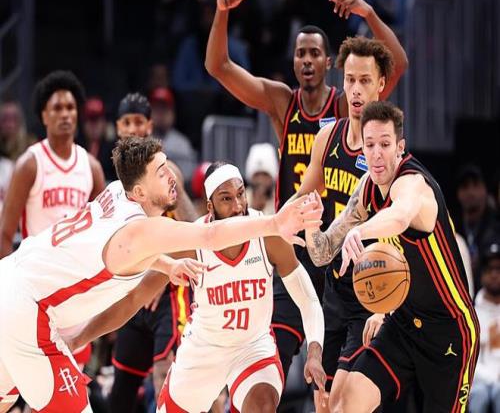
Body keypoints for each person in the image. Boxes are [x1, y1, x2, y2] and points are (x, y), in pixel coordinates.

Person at [0, 136, 321, 413]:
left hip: (10, 279)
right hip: (27, 310)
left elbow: (118, 250)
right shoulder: (143, 230)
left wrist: (166, 265)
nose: (171, 176)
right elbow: (208, 237)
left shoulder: (116, 193)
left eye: (167, 165)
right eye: (160, 171)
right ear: (140, 191)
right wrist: (274, 223)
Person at [205, 0, 408, 382]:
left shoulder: (349, 104)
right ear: (294, 61)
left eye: (315, 52)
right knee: (274, 349)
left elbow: (395, 64)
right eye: (301, 53)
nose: (308, 60)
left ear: (330, 63)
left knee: (341, 371)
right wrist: (222, 13)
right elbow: (218, 67)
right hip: (299, 242)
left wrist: (368, 13)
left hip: (345, 249)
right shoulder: (283, 102)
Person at [305, 101, 479, 412]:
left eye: (385, 144)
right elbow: (323, 252)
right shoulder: (366, 189)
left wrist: (360, 231)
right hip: (403, 322)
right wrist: (309, 224)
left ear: (400, 147)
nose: (376, 153)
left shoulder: (414, 184)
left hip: (449, 330)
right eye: (370, 144)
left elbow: (399, 217)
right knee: (345, 405)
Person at [292, 36, 396, 410]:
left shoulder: (388, 151)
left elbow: (400, 230)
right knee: (322, 401)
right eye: (350, 79)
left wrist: (385, 306)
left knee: (346, 402)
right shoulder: (328, 137)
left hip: (373, 284)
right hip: (333, 285)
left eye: (365, 80)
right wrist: (263, 227)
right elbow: (299, 201)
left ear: (381, 84)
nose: (355, 90)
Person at [109, 92, 198, 413]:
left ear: (149, 126)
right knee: (121, 391)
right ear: (117, 128)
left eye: (139, 122)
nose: (133, 128)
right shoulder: (118, 181)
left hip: (171, 294)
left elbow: (193, 235)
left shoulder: (165, 171)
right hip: (135, 295)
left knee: (168, 379)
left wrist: (160, 271)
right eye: (127, 122)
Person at [0, 70, 106, 259]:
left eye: (70, 107)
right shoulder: (29, 165)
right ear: (44, 116)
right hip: (37, 268)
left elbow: (104, 231)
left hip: (76, 269)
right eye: (57, 108)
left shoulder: (92, 167)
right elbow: (5, 234)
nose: (65, 114)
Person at [469, 241, 500, 413]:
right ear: (482, 274)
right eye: (490, 269)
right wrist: (493, 377)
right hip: (479, 381)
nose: (494, 274)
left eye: (499, 269)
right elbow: (471, 360)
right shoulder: (472, 313)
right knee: (480, 394)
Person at [149, 87, 197, 181]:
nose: (160, 114)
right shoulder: (142, 141)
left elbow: (188, 178)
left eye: (164, 109)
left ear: (172, 113)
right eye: (156, 109)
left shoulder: (182, 143)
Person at [245, 142, 278, 215]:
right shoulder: (241, 200)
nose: (260, 180)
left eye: (265, 175)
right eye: (257, 175)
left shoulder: (280, 200)